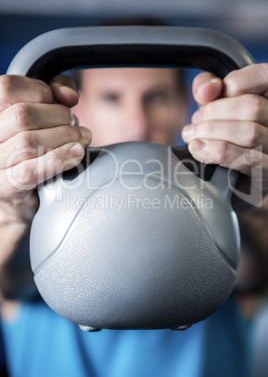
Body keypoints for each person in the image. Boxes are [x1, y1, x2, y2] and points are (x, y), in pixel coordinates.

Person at [0, 25, 268, 376]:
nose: (137, 124)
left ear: (183, 106)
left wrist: (251, 198)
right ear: (73, 110)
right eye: (112, 97)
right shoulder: (36, 208)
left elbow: (255, 273)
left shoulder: (220, 199)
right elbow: (10, 281)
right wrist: (13, 212)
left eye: (156, 97)